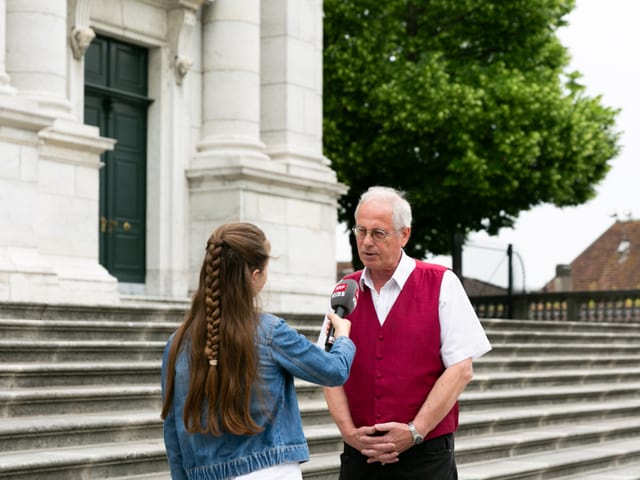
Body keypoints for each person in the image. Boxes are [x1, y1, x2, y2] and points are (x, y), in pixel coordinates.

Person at [161, 222, 356, 480]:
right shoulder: (270, 332)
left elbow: (173, 430)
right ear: (255, 275)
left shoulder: (177, 343)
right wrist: (342, 336)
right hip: (271, 471)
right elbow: (334, 371)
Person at [324, 186, 492, 479]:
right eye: (360, 231)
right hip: (359, 456)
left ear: (404, 235)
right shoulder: (345, 289)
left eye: (379, 233)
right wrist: (348, 432)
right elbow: (328, 369)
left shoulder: (441, 283)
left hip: (425, 455)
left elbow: (461, 368)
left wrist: (416, 430)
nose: (366, 242)